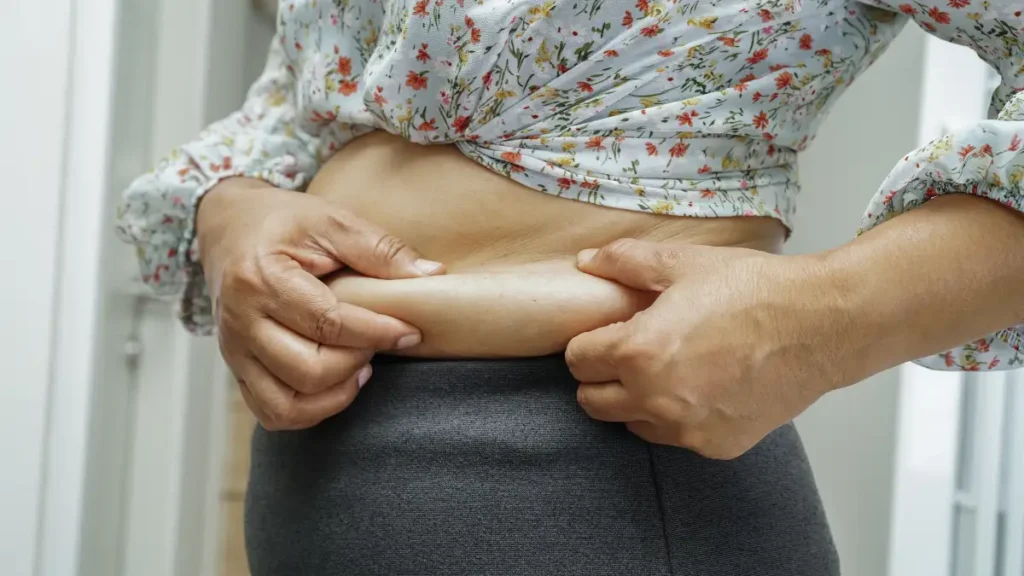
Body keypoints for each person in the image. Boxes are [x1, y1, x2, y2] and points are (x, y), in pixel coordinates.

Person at [116, 0, 1023, 572]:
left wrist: (833, 317)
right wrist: (230, 210)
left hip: (598, 466)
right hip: (325, 477)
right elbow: (296, 100)